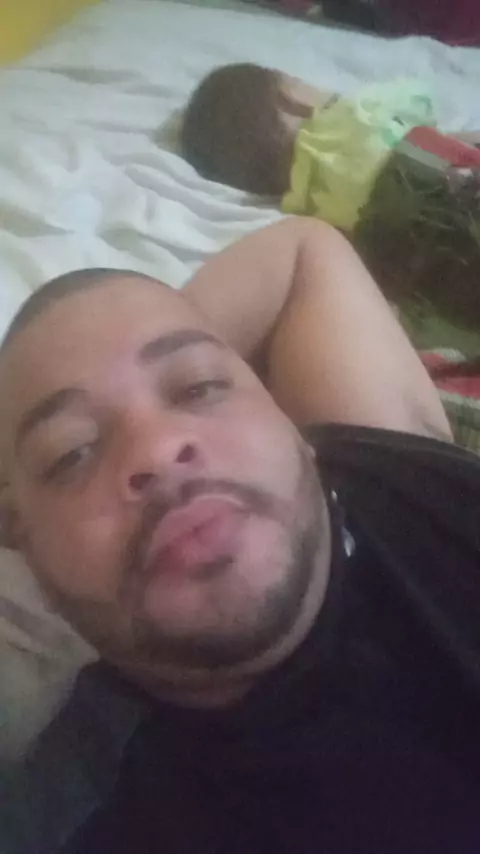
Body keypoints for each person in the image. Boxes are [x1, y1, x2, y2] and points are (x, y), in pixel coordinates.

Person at [2, 217, 480, 854]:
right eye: (71, 453)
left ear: (291, 427)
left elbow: (303, 247)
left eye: (198, 386)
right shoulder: (82, 819)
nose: (158, 448)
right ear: (26, 549)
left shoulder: (394, 460)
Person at [182, 64, 480, 357]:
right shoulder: (352, 115)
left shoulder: (307, 206)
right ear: (293, 99)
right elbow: (419, 99)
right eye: (297, 80)